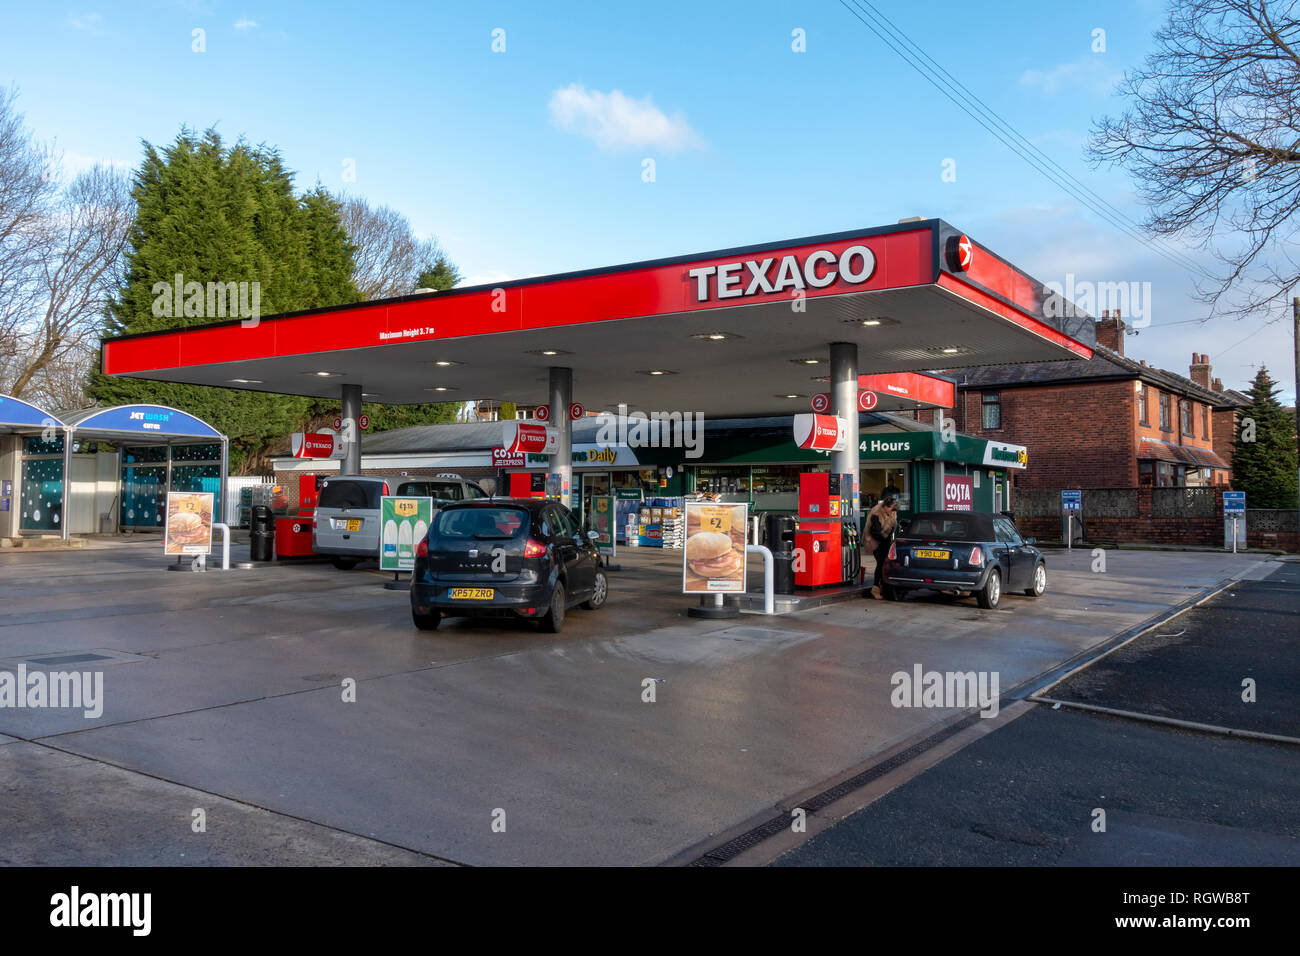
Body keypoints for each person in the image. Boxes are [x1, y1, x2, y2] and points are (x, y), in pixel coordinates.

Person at [865, 494, 899, 600]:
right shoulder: (876, 513)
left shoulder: (892, 513)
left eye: (894, 510)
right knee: (880, 564)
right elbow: (875, 532)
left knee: (885, 564)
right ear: (886, 507)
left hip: (885, 540)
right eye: (891, 509)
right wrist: (885, 540)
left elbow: (893, 527)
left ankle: (882, 586)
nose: (892, 512)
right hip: (874, 541)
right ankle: (875, 588)